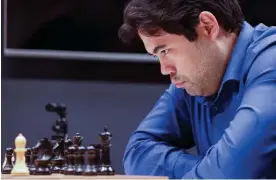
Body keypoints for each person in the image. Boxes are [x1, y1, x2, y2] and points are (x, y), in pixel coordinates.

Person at [117, 0, 276, 179]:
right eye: (156, 56)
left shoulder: (271, 62)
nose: (164, 69)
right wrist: (212, 167)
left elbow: (228, 173)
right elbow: (137, 153)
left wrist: (224, 170)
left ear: (208, 27)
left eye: (165, 51)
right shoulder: (194, 80)